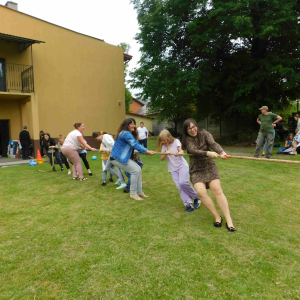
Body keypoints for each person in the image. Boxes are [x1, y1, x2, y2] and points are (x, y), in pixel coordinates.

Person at [182, 118, 236, 232]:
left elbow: (213, 144)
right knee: (201, 192)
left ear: (196, 125)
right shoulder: (187, 140)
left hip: (209, 166)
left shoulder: (205, 134)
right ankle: (217, 216)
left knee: (217, 190)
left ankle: (229, 220)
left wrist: (221, 152)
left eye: (193, 127)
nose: (192, 130)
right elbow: (193, 151)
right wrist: (208, 153)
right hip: (196, 169)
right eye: (189, 129)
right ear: (186, 131)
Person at [156, 129, 201, 213]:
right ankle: (189, 205)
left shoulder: (176, 142)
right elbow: (161, 158)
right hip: (172, 169)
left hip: (182, 166)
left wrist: (179, 153)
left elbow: (181, 151)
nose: (163, 142)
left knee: (183, 182)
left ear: (169, 137)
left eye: (164, 140)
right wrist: (165, 153)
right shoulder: (164, 147)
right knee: (179, 187)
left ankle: (196, 198)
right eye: (162, 141)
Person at [110, 118, 155, 200]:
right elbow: (134, 144)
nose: (134, 125)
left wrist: (146, 150)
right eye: (131, 124)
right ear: (127, 125)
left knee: (138, 169)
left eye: (134, 123)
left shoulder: (126, 133)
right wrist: (146, 151)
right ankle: (133, 193)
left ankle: (139, 191)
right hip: (116, 158)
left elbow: (136, 143)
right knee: (135, 170)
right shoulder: (125, 133)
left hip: (121, 158)